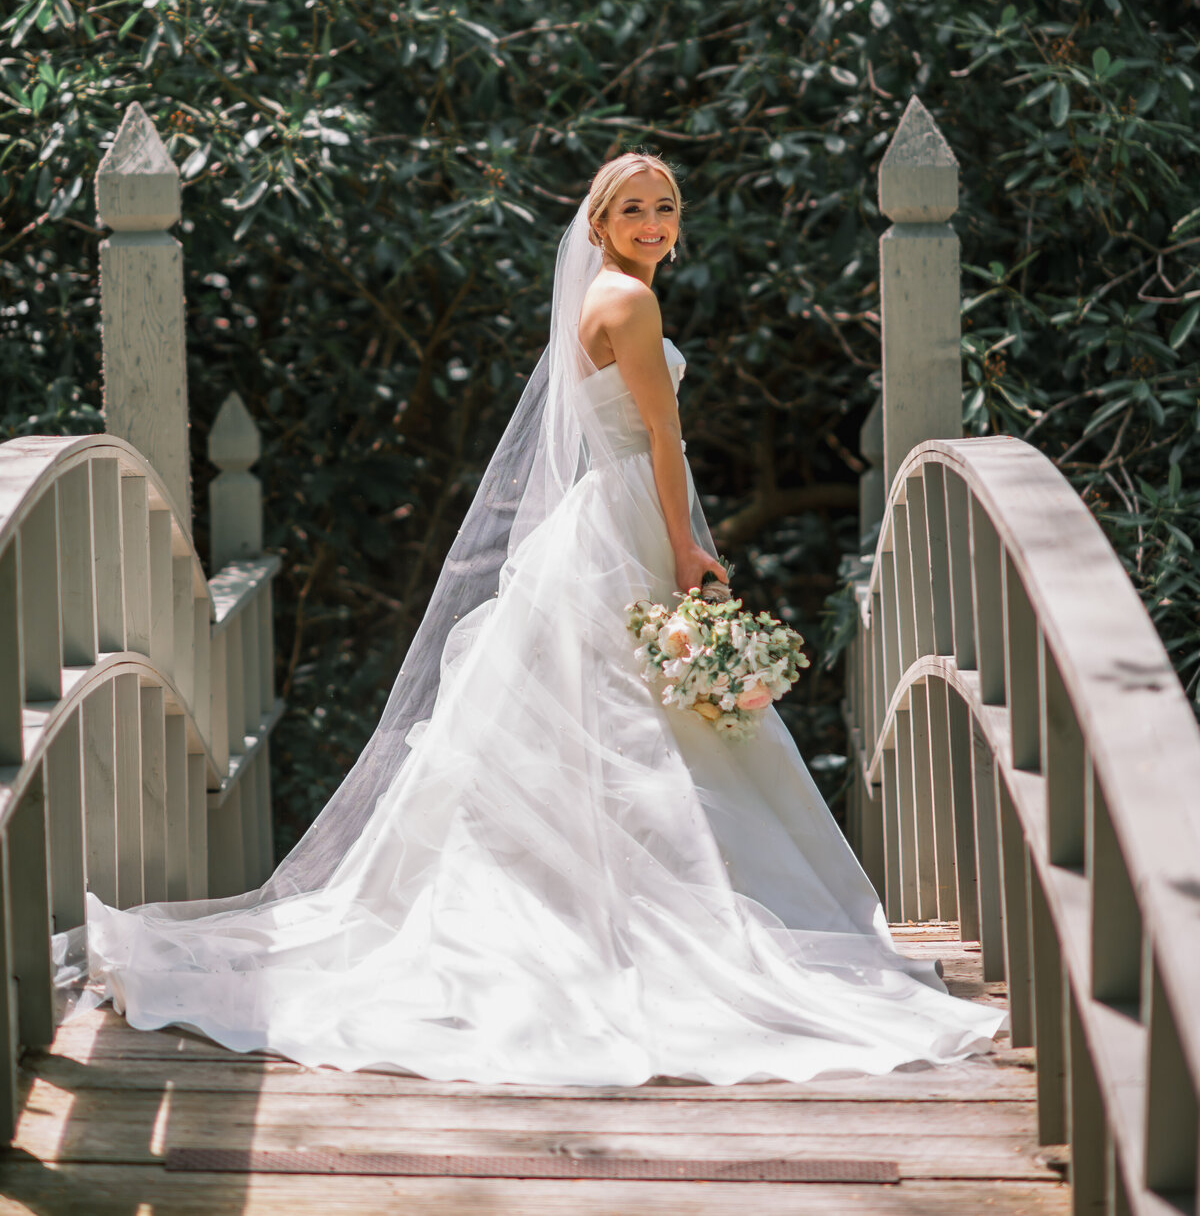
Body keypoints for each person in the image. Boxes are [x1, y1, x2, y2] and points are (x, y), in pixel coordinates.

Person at [81, 152, 1001, 1084]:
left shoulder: (597, 296)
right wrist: (687, 550)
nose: (653, 221)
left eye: (666, 206)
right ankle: (627, 916)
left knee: (614, 722)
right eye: (632, 208)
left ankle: (588, 905)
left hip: (600, 517)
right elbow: (662, 434)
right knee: (636, 721)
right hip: (630, 520)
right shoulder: (632, 303)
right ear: (597, 225)